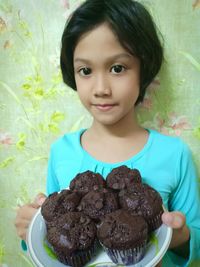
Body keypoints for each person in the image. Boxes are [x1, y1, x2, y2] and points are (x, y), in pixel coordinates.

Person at [15, 0, 200, 266]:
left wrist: (180, 236)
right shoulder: (61, 151)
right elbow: (53, 228)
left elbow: (197, 243)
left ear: (143, 69)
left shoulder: (174, 154)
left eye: (117, 68)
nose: (101, 88)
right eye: (86, 71)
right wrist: (29, 228)